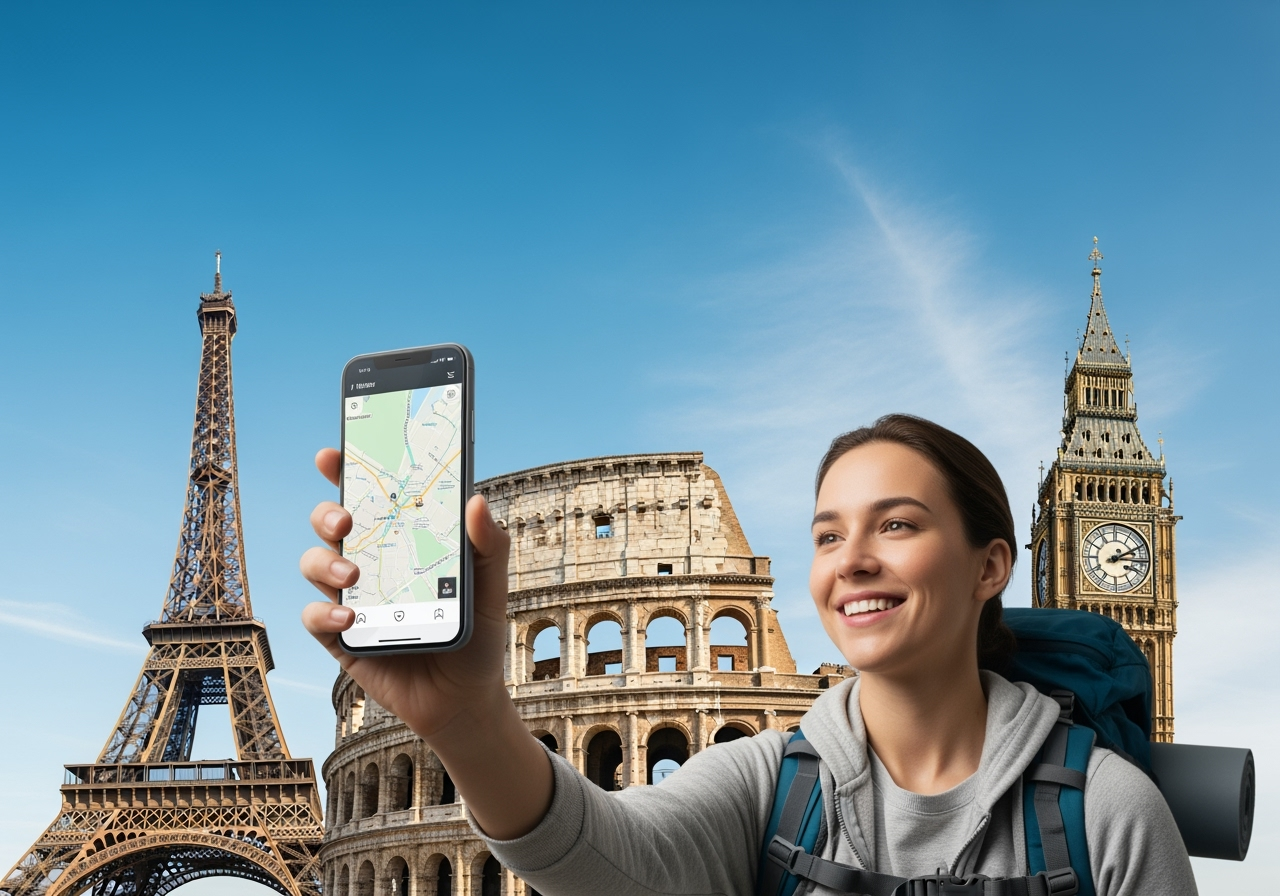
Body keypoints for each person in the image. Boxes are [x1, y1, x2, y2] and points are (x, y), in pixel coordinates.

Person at [300, 414, 1197, 895]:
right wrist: (464, 720)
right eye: (827, 534)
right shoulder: (773, 786)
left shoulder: (1108, 815)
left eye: (897, 524)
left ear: (991, 565)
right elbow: (597, 856)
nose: (853, 559)